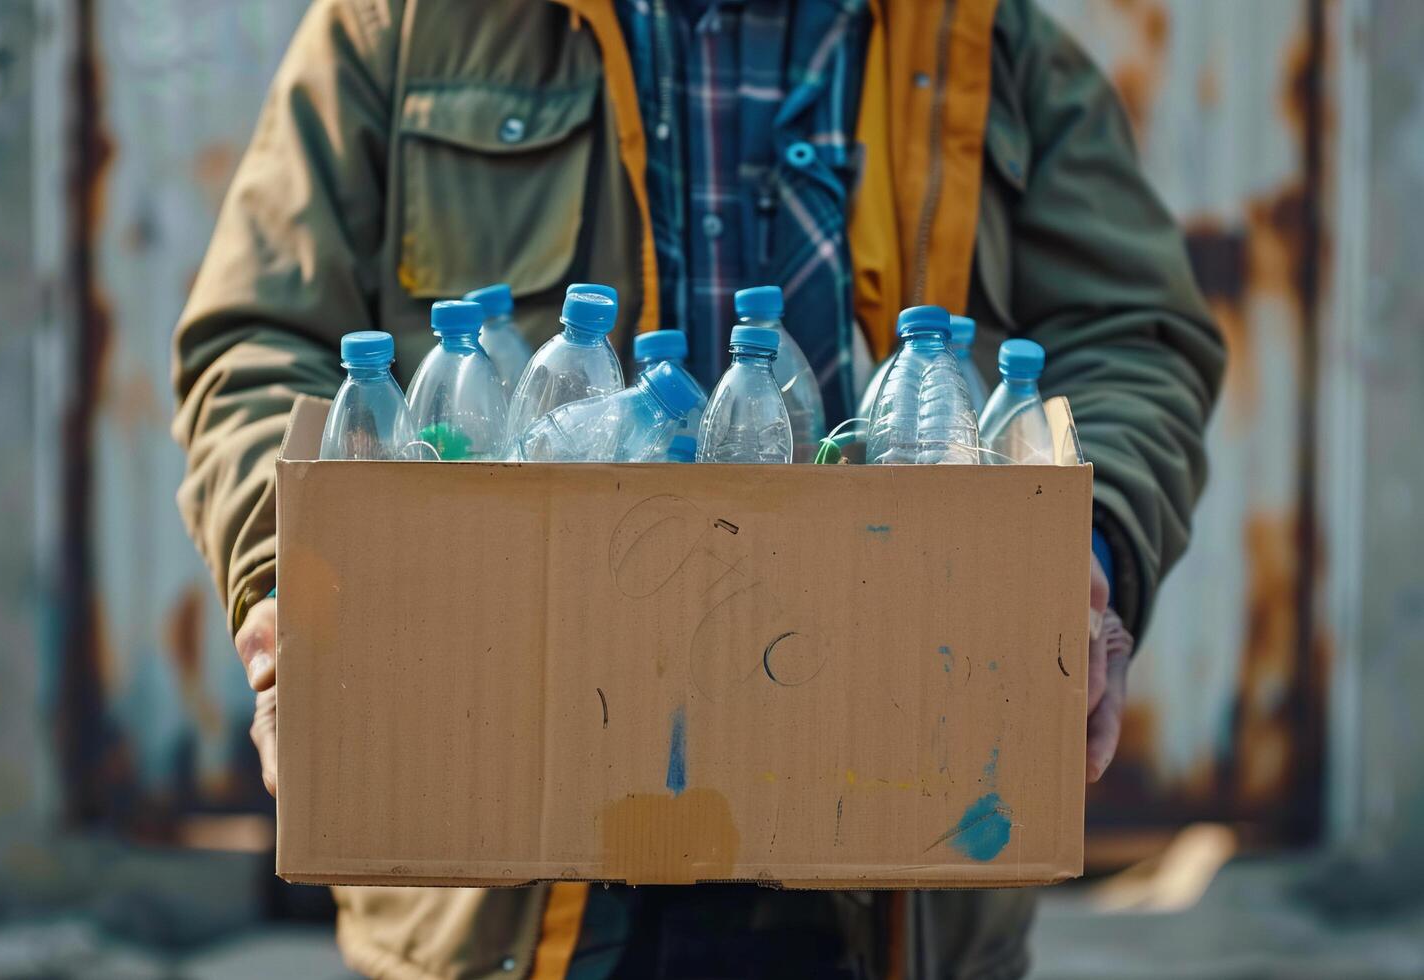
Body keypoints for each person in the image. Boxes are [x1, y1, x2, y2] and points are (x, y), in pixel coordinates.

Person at [171, 0, 1225, 976]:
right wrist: (288, 573)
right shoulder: (404, 23)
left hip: (892, 850)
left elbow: (1136, 337)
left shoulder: (978, 34)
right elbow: (262, 340)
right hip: (509, 877)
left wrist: (1088, 554)